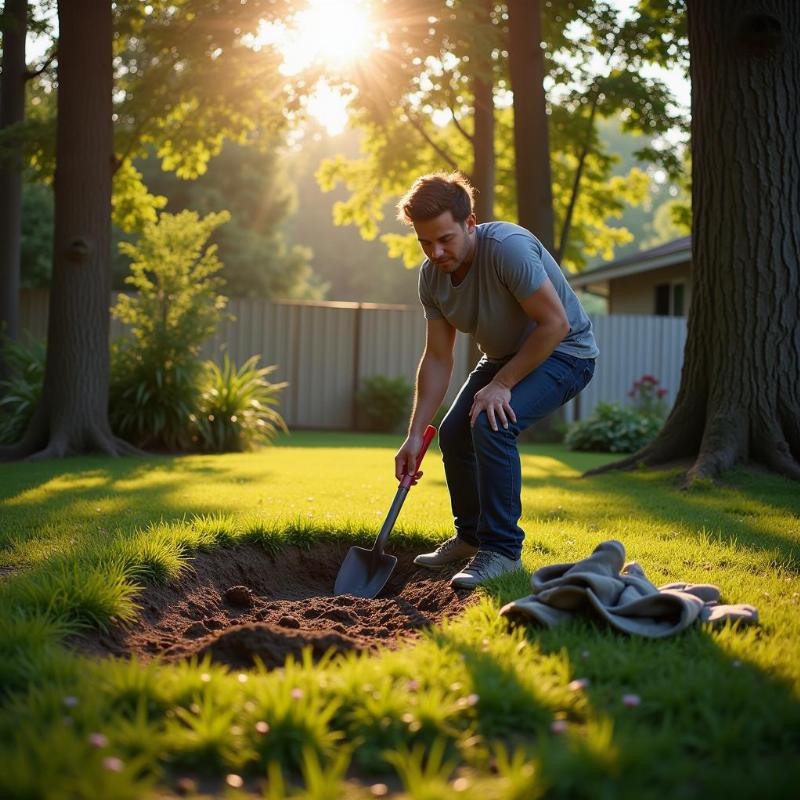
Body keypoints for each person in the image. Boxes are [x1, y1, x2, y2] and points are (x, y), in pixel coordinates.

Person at [394, 172, 599, 589]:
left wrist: (502, 384)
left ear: (470, 223)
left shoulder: (508, 249)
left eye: (445, 239)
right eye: (425, 242)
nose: (435, 252)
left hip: (566, 352)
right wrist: (415, 434)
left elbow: (555, 324)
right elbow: (437, 356)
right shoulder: (432, 277)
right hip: (504, 356)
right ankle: (470, 537)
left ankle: (503, 551)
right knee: (452, 432)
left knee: (491, 423)